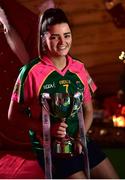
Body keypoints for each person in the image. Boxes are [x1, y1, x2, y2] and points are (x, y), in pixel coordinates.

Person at [8, 8, 119, 179]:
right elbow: (13, 116)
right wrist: (48, 129)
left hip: (80, 142)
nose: (62, 42)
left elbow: (88, 110)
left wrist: (80, 138)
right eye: (54, 37)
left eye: (66, 35)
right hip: (51, 150)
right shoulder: (31, 72)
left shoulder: (79, 68)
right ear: (43, 38)